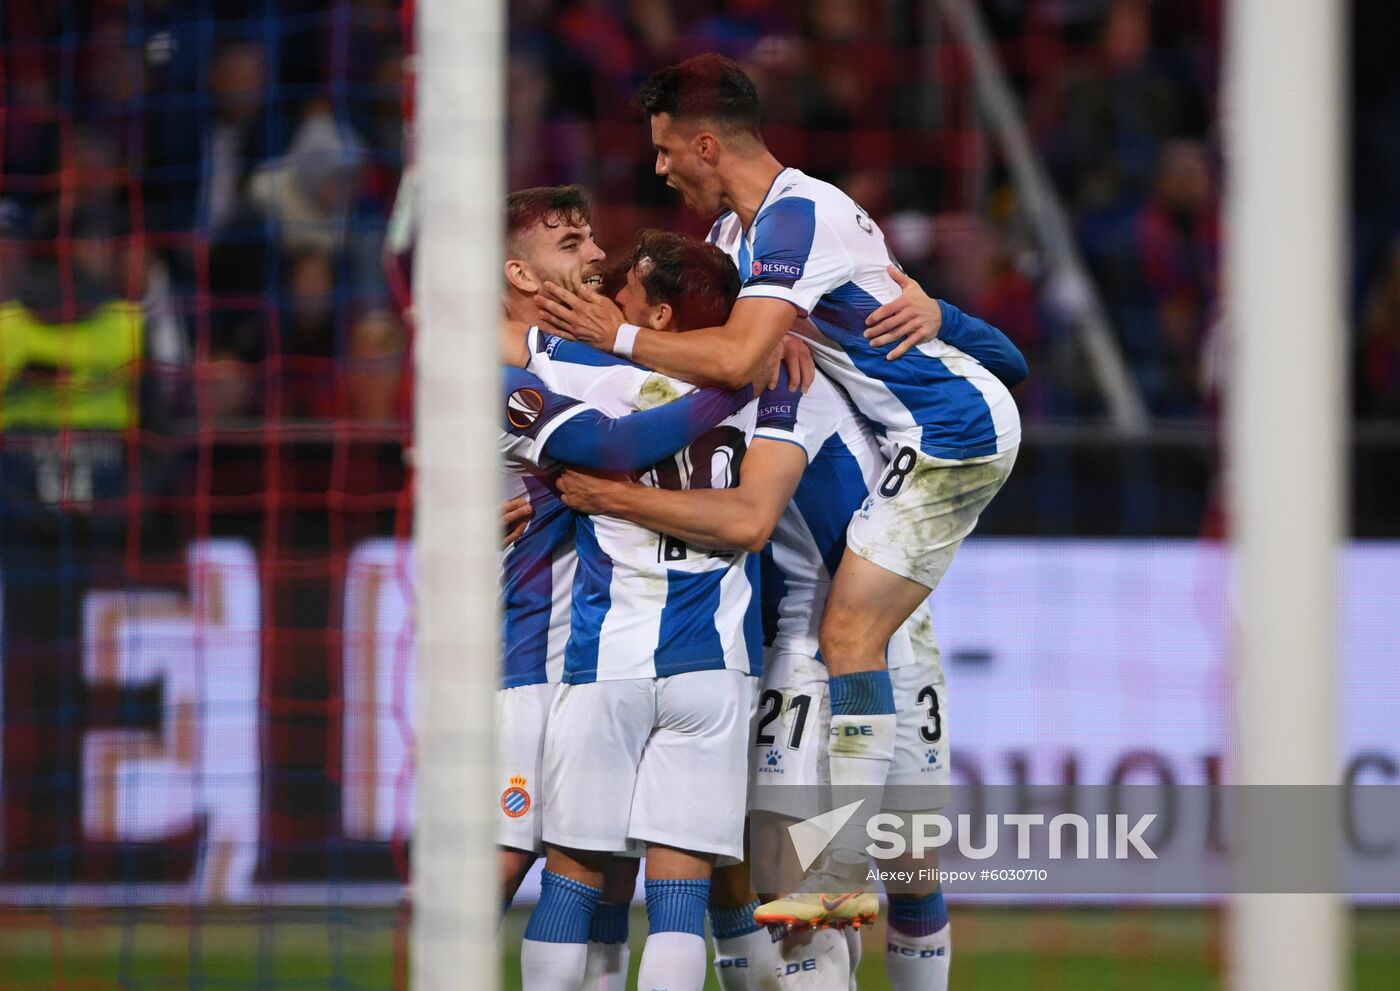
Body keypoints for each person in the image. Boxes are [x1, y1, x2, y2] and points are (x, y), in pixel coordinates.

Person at [537, 53, 1024, 927]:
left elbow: (730, 360)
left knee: (848, 627)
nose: (658, 169)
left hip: (954, 435)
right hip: (894, 455)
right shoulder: (733, 240)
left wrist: (617, 338)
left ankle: (841, 868)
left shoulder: (801, 215)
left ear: (708, 143)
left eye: (664, 151)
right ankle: (844, 864)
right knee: (854, 630)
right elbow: (719, 350)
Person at [556, 295, 1026, 990]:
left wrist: (936, 314)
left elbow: (746, 520)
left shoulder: (790, 388)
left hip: (827, 648)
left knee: (854, 887)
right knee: (828, 892)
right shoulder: (747, 387)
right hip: (880, 637)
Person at [518, 230, 763, 991]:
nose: (607, 302)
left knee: (572, 879)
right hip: (714, 668)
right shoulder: (761, 392)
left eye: (625, 295)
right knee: (678, 904)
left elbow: (512, 334)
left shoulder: (582, 370)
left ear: (656, 318)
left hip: (607, 662)